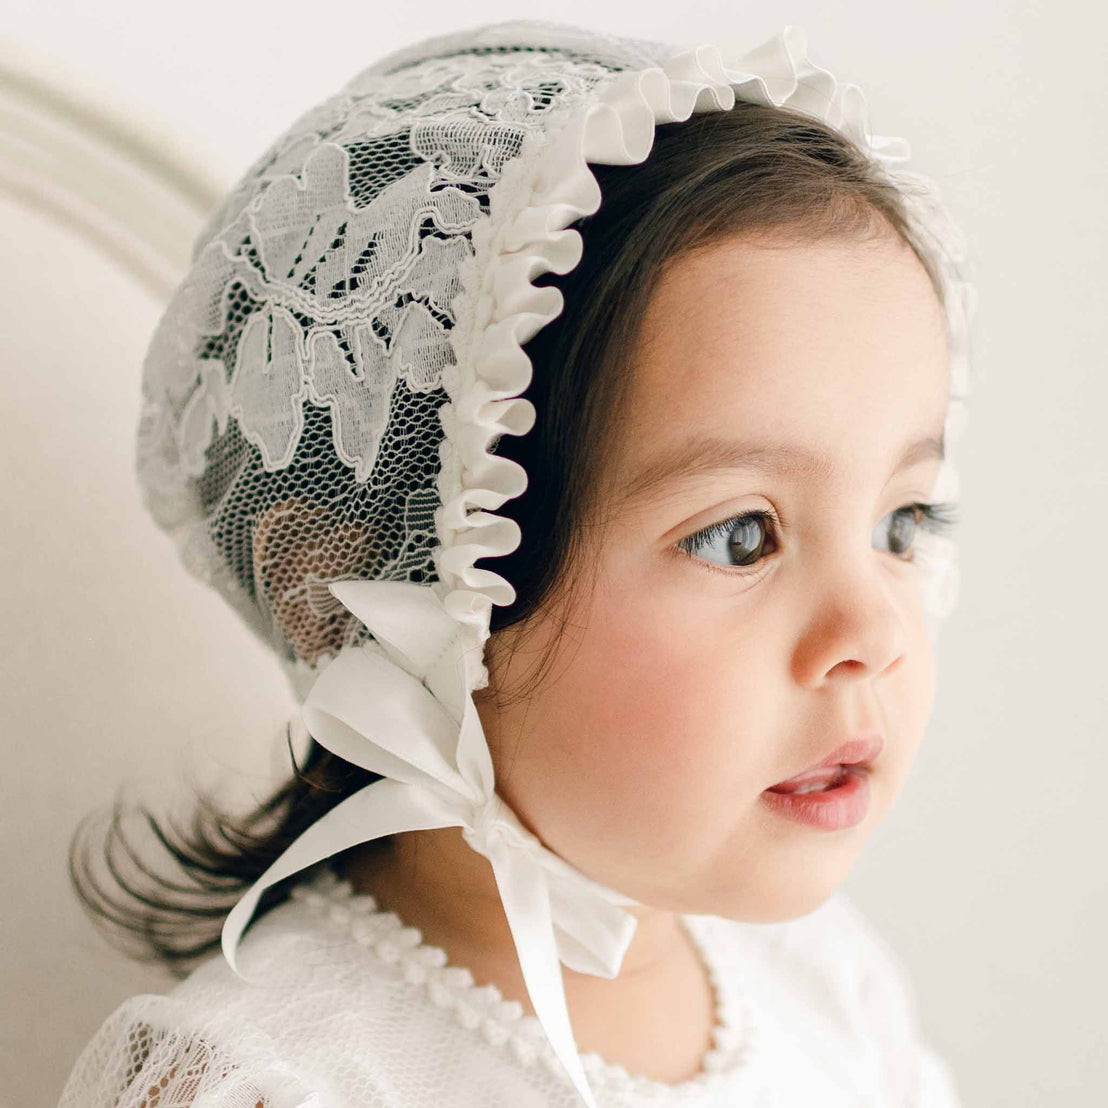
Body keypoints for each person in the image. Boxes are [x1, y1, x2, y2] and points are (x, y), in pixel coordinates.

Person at [57, 18, 975, 1108]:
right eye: (741, 535)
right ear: (358, 596)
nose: (873, 631)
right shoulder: (267, 1081)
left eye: (903, 521)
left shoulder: (823, 980)